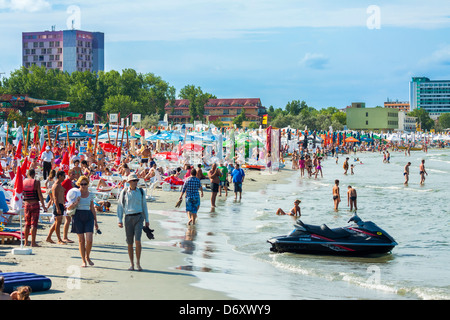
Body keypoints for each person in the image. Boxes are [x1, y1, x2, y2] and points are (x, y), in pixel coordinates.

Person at [117, 173, 150, 271]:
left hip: (139, 217)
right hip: (128, 218)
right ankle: (131, 264)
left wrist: (147, 219)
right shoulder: (124, 192)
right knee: (129, 242)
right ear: (129, 182)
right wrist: (119, 220)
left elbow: (144, 206)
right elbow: (120, 206)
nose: (136, 182)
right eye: (134, 181)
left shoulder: (141, 192)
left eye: (136, 180)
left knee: (138, 241)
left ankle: (138, 263)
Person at [69, 176, 99, 268]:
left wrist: (96, 221)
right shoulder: (75, 194)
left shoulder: (91, 194)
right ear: (78, 184)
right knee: (81, 240)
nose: (83, 186)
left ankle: (88, 256)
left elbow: (92, 208)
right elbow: (69, 207)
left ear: (87, 184)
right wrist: (75, 203)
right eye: (81, 184)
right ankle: (83, 260)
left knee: (89, 240)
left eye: (85, 184)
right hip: (78, 216)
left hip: (88, 216)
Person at [23, 169, 46, 247]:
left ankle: (26, 242)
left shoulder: (23, 182)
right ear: (34, 174)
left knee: (26, 224)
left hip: (26, 204)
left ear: (27, 174)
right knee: (34, 224)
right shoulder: (36, 182)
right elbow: (40, 194)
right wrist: (43, 205)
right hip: (35, 204)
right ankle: (33, 242)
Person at [46, 170, 67, 244]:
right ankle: (59, 239)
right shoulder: (56, 185)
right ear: (60, 176)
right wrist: (58, 208)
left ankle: (48, 237)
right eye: (64, 176)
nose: (64, 177)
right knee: (58, 223)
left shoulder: (59, 184)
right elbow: (55, 198)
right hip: (57, 205)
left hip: (60, 204)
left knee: (56, 222)